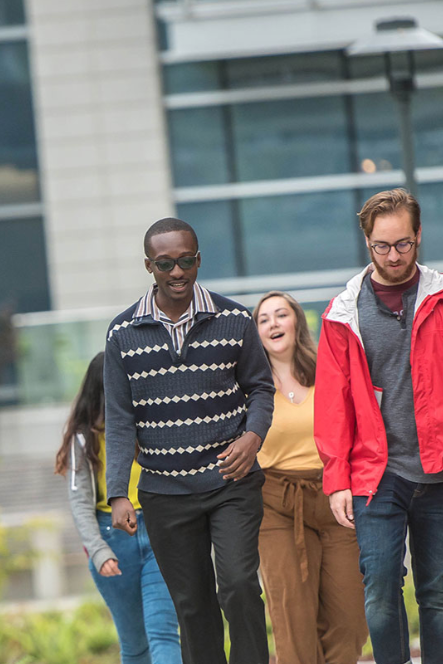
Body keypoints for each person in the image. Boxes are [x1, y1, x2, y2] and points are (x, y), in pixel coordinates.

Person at [315, 188, 443, 664]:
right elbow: (332, 405)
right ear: (367, 243)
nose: (393, 255)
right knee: (378, 591)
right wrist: (336, 479)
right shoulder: (343, 313)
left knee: (437, 593)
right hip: (375, 475)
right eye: (382, 246)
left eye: (403, 244)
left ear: (419, 236)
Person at [103, 217, 275, 664]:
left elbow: (261, 387)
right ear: (149, 266)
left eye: (185, 261)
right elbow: (119, 419)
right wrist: (118, 491)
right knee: (193, 605)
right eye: (165, 264)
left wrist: (253, 437)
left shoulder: (235, 319)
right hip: (164, 492)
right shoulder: (122, 334)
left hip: (230, 482)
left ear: (198, 260)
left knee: (238, 585)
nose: (177, 272)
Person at [252, 290, 368, 664]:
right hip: (277, 505)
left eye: (280, 315)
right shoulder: (249, 385)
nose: (273, 323)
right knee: (293, 619)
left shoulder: (328, 370)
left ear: (297, 322)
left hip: (337, 497)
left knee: (350, 619)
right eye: (264, 319)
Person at [55, 352, 182, 664]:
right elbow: (79, 502)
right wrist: (98, 550)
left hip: (159, 536)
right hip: (113, 543)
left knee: (163, 631)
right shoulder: (83, 441)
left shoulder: (150, 426)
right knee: (136, 646)